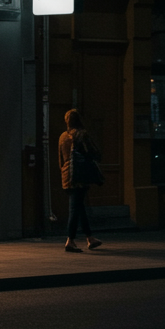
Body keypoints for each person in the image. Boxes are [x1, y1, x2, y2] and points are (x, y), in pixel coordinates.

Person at [58, 108, 103, 253]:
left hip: (67, 176)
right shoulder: (82, 134)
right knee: (74, 209)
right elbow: (94, 152)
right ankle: (70, 240)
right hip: (80, 176)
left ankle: (90, 238)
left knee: (79, 207)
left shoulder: (62, 137)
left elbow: (61, 160)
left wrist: (65, 172)